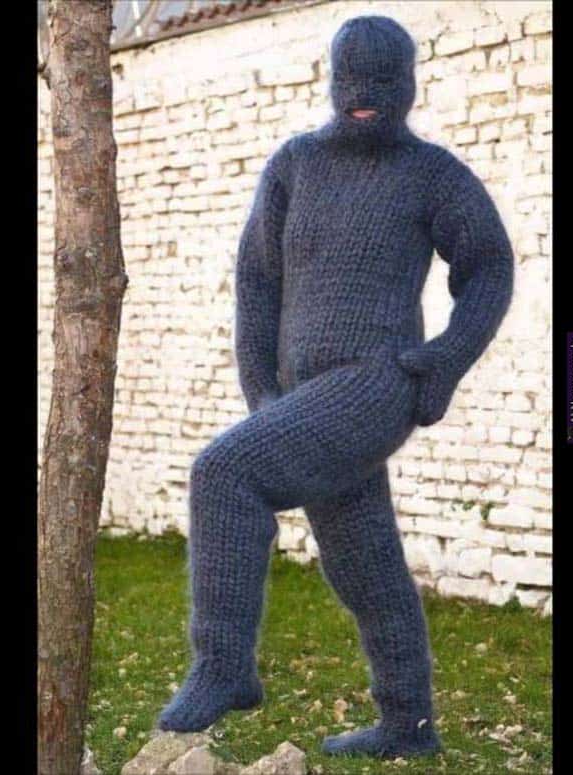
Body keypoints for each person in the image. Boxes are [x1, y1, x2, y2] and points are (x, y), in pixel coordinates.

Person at [159, 14, 514, 760]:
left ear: (407, 86)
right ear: (332, 80)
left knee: (223, 471)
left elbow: (488, 267)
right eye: (351, 79)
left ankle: (224, 667)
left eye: (382, 81)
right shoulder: (295, 164)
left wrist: (444, 360)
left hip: (377, 384)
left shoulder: (431, 174)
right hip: (305, 395)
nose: (364, 95)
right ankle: (408, 724)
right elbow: (257, 283)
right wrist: (263, 392)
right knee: (365, 563)